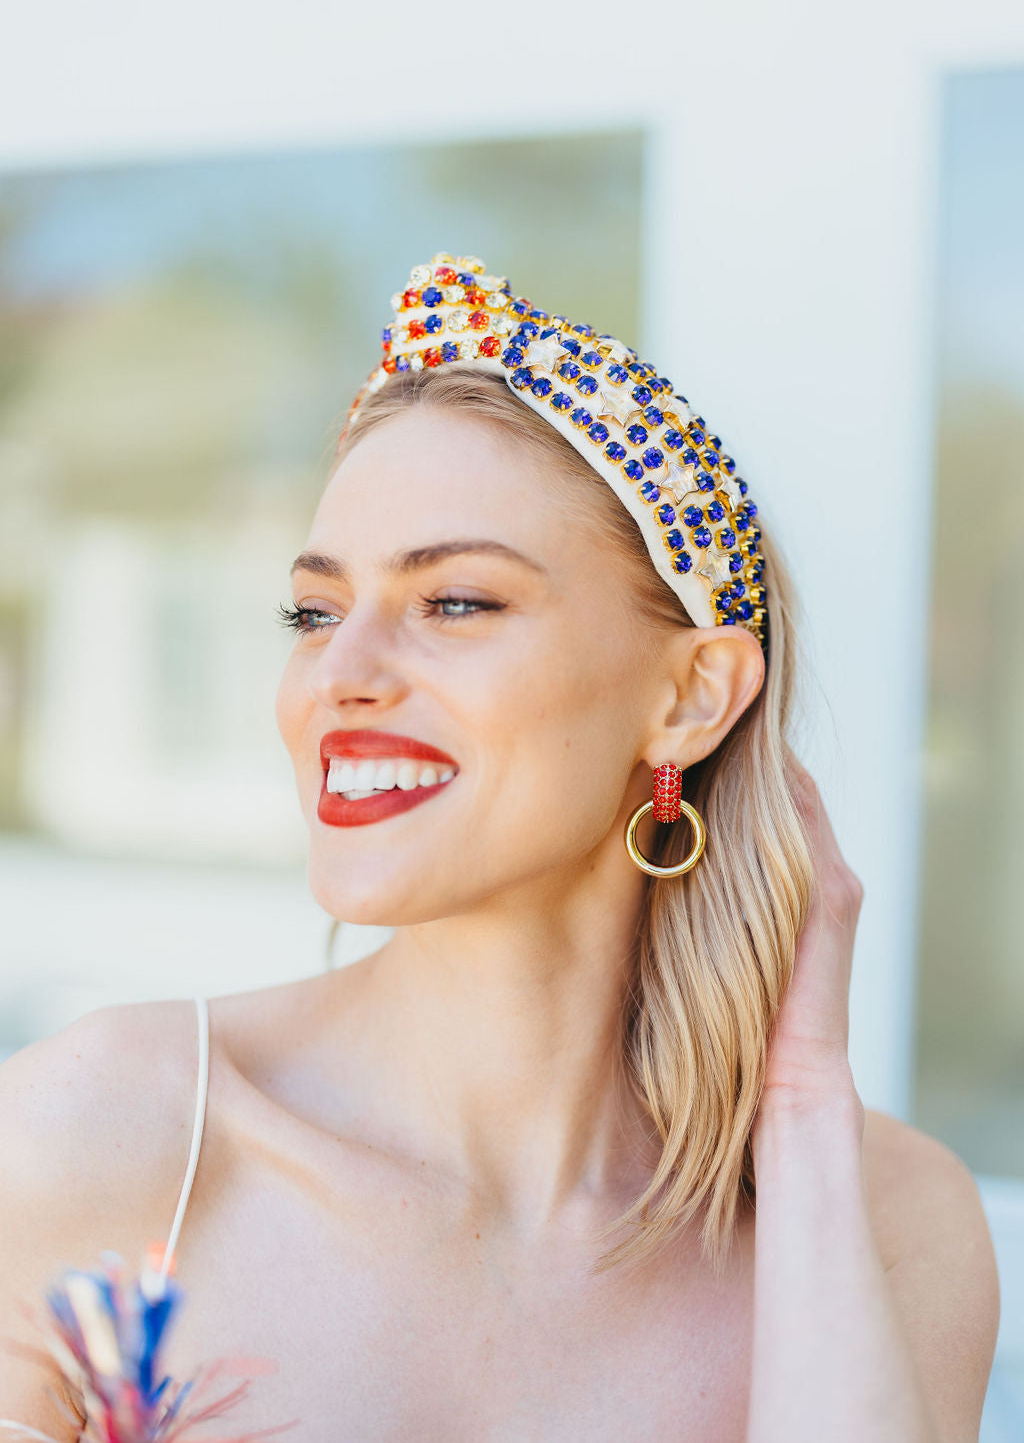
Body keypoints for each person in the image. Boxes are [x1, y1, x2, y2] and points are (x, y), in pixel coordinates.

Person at [0, 253, 1000, 1442]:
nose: (343, 675)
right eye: (314, 613)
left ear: (690, 696)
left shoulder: (893, 1222)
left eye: (455, 601)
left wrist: (800, 1114)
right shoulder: (99, 1138)